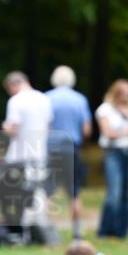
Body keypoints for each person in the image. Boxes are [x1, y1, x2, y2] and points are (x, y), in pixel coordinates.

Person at [2, 71, 53, 239]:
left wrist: (5, 128)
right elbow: (47, 126)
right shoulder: (44, 99)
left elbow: (13, 128)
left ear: (13, 86)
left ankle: (19, 229)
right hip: (40, 153)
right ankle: (37, 228)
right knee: (37, 193)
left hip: (19, 156)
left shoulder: (16, 101)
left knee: (14, 195)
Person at [45, 65, 92, 239]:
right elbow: (86, 129)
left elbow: (44, 125)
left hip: (50, 148)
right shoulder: (80, 99)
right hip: (71, 148)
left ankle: (48, 231)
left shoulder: (47, 98)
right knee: (74, 190)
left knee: (47, 189)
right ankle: (77, 231)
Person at [96, 79, 128, 239]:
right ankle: (105, 230)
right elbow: (108, 133)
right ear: (116, 92)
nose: (127, 97)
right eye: (124, 93)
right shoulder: (105, 110)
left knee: (127, 193)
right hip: (113, 153)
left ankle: (121, 231)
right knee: (114, 193)